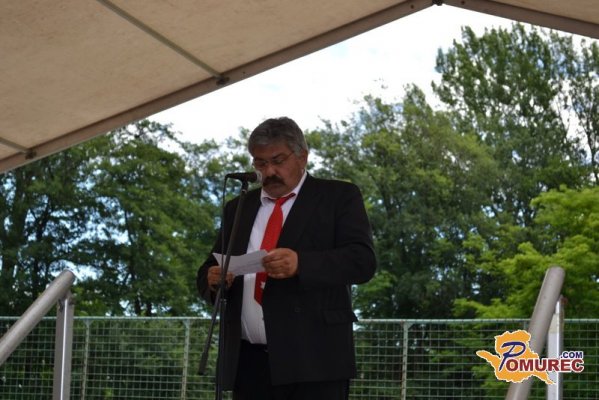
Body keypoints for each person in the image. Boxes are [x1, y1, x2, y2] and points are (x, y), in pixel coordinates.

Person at [197, 116, 376, 400]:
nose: (269, 171)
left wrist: (301, 263)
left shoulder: (338, 196)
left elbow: (362, 261)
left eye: (278, 161)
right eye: (260, 163)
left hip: (315, 362)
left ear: (302, 156)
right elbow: (210, 266)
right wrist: (214, 278)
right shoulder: (238, 207)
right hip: (248, 364)